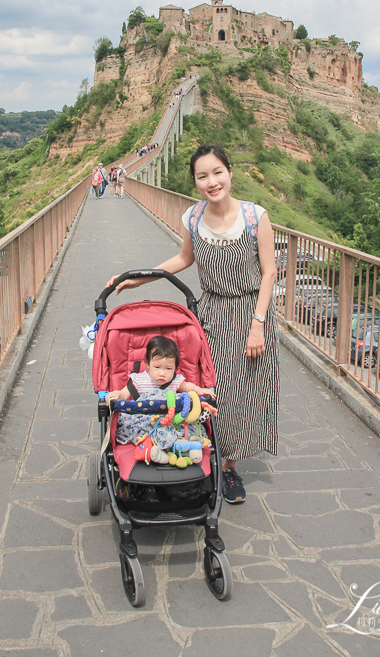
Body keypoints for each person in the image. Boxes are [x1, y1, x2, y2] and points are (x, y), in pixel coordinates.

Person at [106, 144, 279, 505]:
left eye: (217, 172)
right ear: (196, 181)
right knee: (206, 386)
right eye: (203, 176)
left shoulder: (254, 216)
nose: (212, 182)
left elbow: (269, 272)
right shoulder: (193, 217)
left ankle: (229, 467)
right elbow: (184, 258)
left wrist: (258, 324)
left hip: (250, 313)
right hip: (212, 312)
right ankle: (203, 455)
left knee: (241, 392)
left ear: (230, 173)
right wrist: (138, 279)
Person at [105, 335, 214, 455]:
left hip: (170, 420)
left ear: (175, 368)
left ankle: (173, 446)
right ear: (147, 363)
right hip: (145, 418)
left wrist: (199, 390)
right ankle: (156, 447)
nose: (162, 373)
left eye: (168, 369)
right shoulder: (139, 380)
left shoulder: (174, 381)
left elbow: (188, 387)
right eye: (157, 367)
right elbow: (124, 393)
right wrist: (116, 394)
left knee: (187, 427)